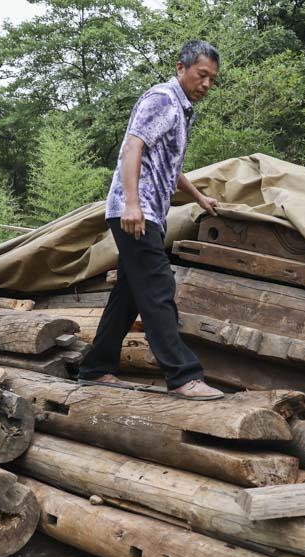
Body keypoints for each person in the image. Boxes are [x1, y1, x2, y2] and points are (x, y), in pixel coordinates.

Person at [78, 40, 225, 400]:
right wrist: (131, 203)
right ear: (181, 68)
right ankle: (182, 376)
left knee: (128, 295)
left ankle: (96, 369)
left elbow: (170, 168)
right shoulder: (161, 98)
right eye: (201, 75)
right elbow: (133, 147)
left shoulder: (181, 109)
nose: (205, 84)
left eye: (212, 79)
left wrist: (200, 197)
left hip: (149, 212)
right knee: (159, 286)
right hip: (135, 211)